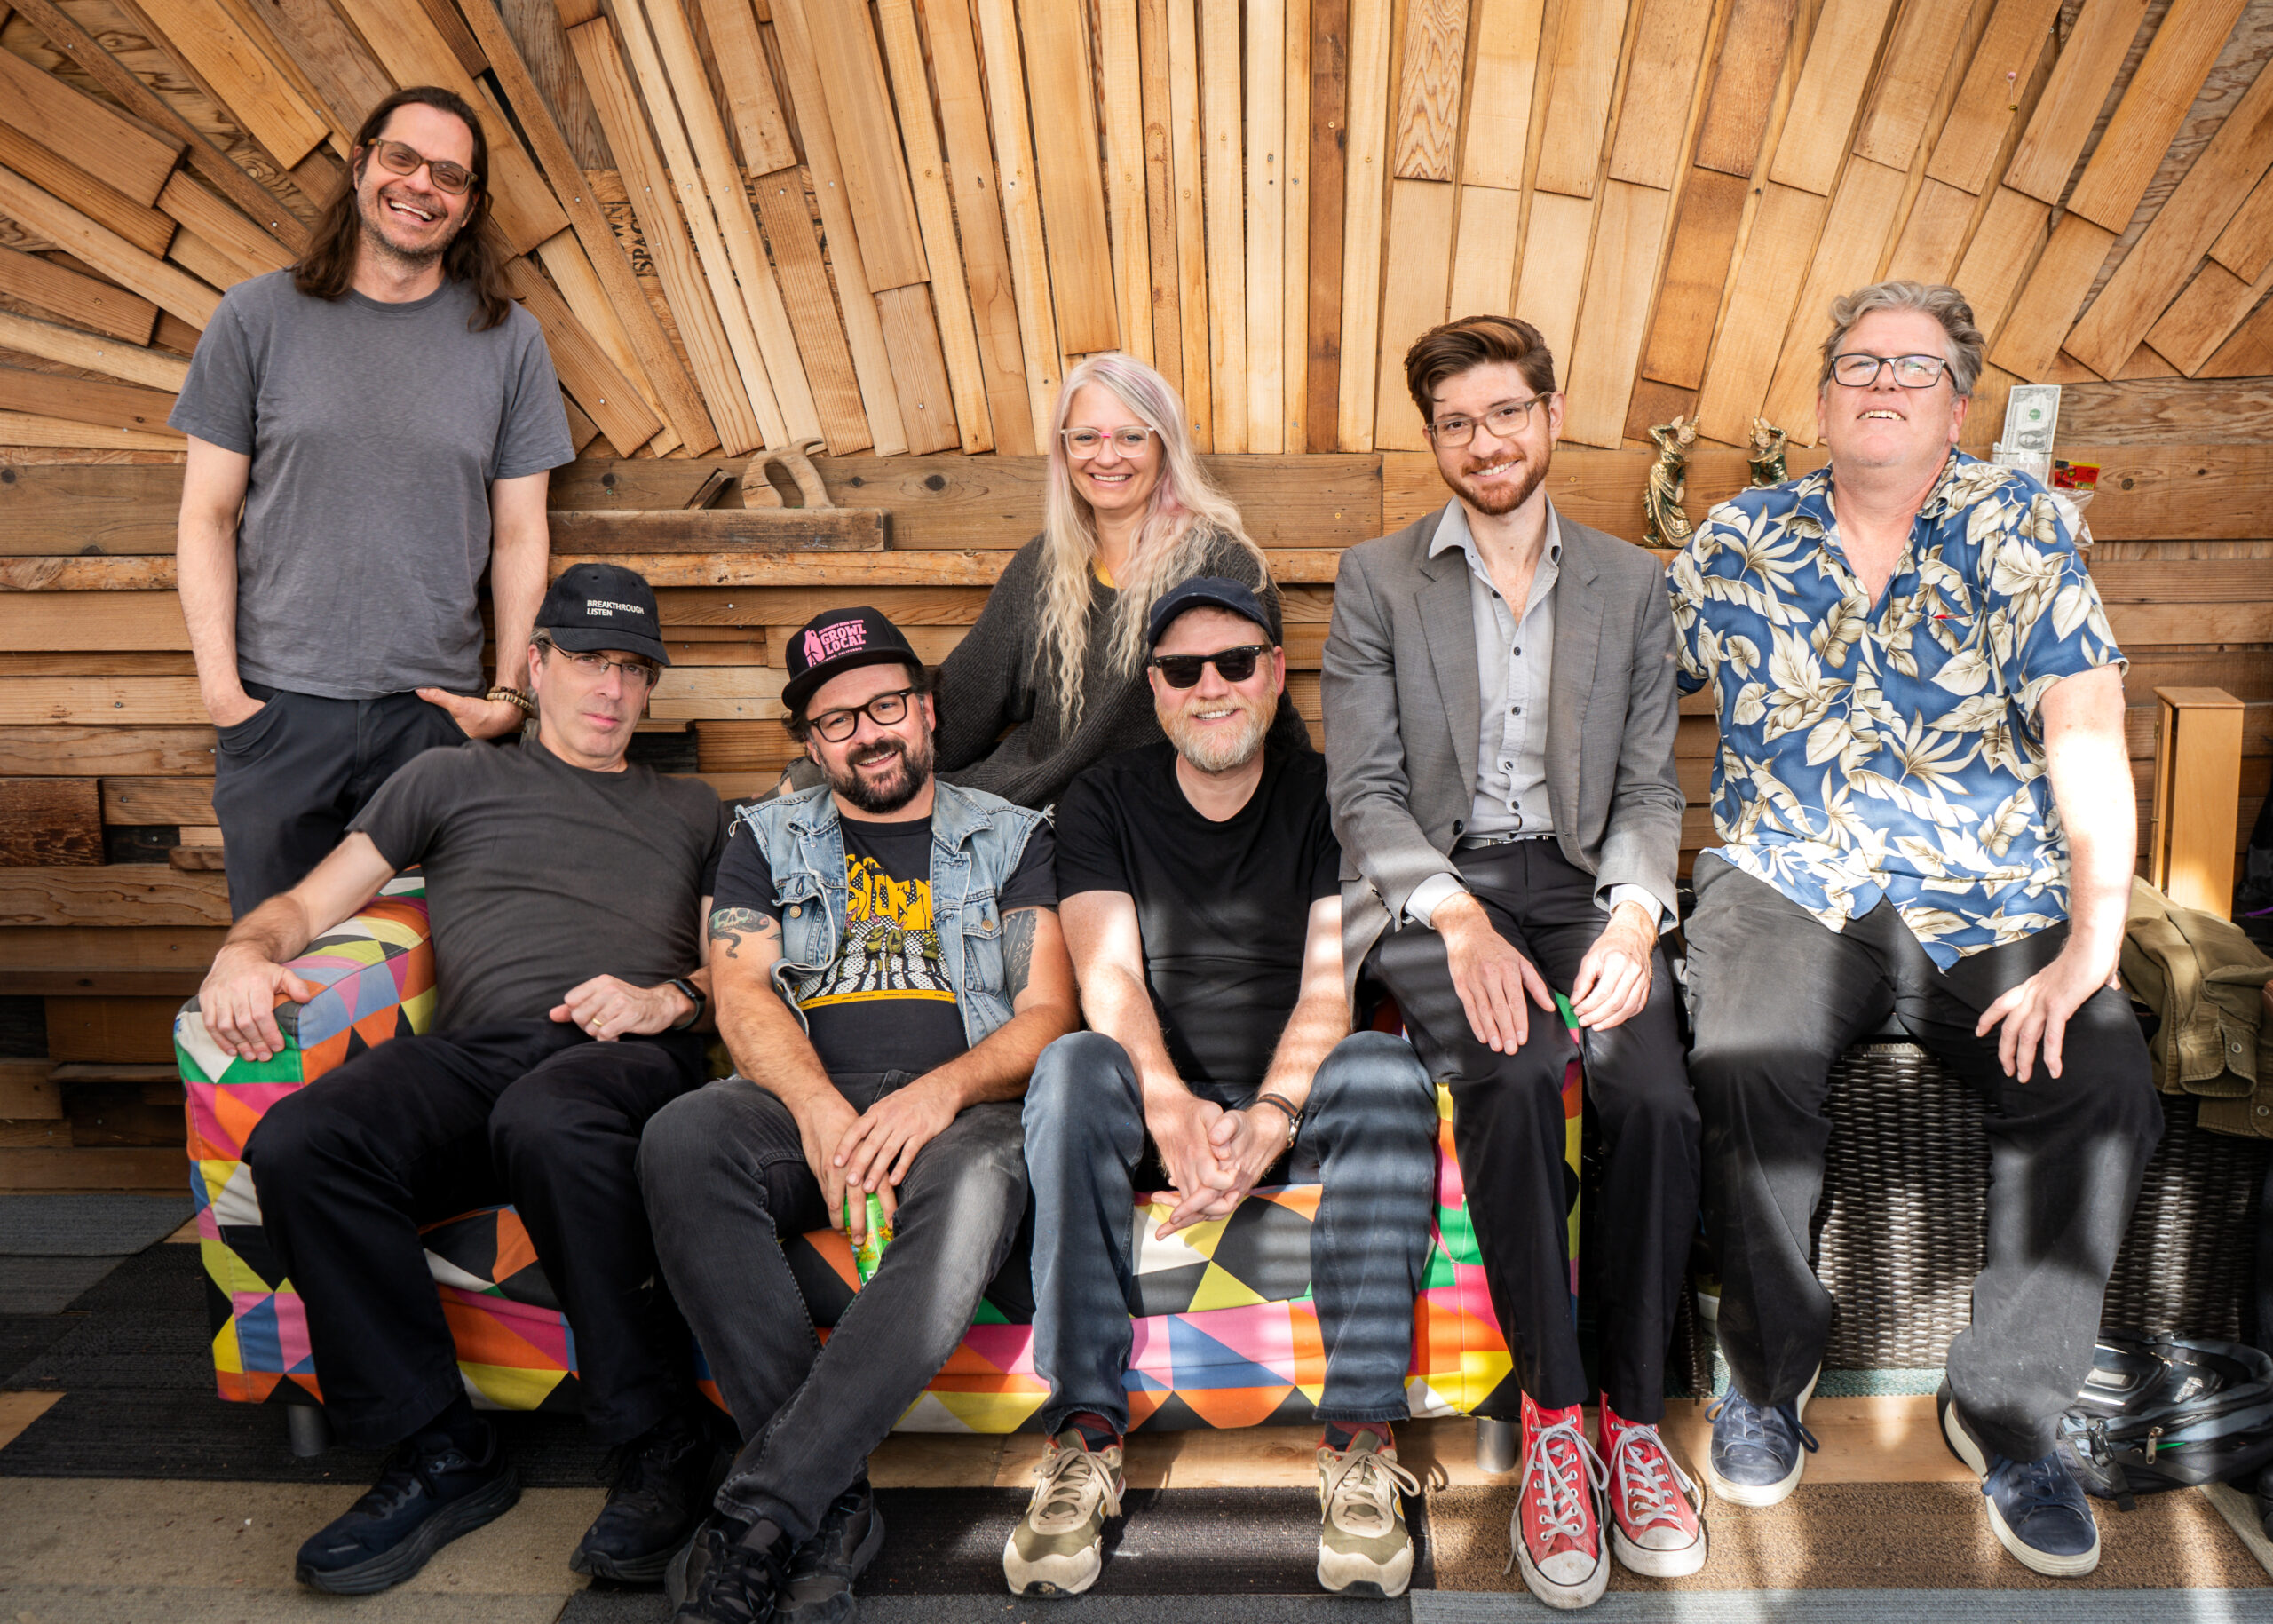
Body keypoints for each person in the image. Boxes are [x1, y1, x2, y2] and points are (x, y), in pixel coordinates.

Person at [1669, 281, 2161, 1579]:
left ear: (1960, 400)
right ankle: (1769, 1376)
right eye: (1857, 363)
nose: (1881, 383)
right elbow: (1614, 680)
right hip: (1791, 875)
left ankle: (2006, 1413)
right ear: (1824, 396)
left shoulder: (2020, 525)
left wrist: (2091, 941)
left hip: (1984, 888)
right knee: (1745, 1049)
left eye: (1914, 367)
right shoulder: (1735, 539)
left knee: (2102, 1071)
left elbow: (2086, 726)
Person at [197, 563, 727, 1594]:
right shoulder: (447, 779)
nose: (609, 688)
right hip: (475, 1056)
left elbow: (734, 971)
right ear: (535, 664)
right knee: (301, 1141)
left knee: (549, 1114)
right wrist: (242, 950)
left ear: (652, 687)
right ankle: (442, 1446)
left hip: (623, 1058)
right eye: (586, 659)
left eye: (632, 667)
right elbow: (304, 907)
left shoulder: (700, 811)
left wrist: (669, 999)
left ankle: (659, 1437)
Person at [1322, 314, 1701, 1609]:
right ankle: (1552, 1416)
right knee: (1514, 1063)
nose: (1485, 442)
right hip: (1445, 883)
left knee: (1652, 1089)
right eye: (1456, 423)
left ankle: (1632, 1423)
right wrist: (1458, 918)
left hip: (1590, 882)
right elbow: (1364, 793)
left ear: (1551, 416)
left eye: (1506, 413)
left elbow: (1652, 788)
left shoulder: (1633, 584)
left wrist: (1639, 918)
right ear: (1434, 439)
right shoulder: (1377, 580)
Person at [640, 607, 1081, 1624]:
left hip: (964, 1109)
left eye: (886, 704)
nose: (868, 731)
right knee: (683, 1135)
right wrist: (819, 1107)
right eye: (837, 720)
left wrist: (940, 1090)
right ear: (810, 742)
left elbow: (1047, 1011)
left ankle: (762, 1509)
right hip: (806, 1102)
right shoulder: (762, 837)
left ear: (926, 711)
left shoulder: (1013, 839)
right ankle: (829, 1501)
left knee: (978, 1178)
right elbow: (743, 992)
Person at [1006, 578, 1440, 1600]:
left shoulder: (1329, 798)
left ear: (1274, 673)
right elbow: (1105, 975)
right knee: (1068, 1067)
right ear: (1154, 688)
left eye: (1235, 662)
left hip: (1293, 1087)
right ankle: (1084, 1435)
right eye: (1182, 668)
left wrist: (1271, 1117)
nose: (1211, 686)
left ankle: (1361, 1438)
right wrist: (1169, 1103)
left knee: (1383, 1068)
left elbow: (1329, 987)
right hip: (1149, 1084)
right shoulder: (1104, 798)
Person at [171, 85, 572, 916]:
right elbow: (206, 516)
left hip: (432, 721)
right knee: (276, 988)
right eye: (403, 158)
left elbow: (521, 533)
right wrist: (225, 698)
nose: (422, 185)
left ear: (466, 209)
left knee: (422, 988)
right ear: (360, 164)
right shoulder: (256, 317)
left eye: (450, 177)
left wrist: (508, 697)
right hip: (279, 713)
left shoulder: (509, 340)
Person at [932, 352, 1310, 808]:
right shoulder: (1040, 566)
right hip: (1025, 810)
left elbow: (1264, 707)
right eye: (1086, 437)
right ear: (1064, 449)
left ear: (1163, 444)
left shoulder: (1223, 564)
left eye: (1132, 436)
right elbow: (955, 715)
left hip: (1147, 821)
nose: (1106, 456)